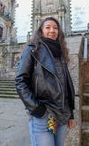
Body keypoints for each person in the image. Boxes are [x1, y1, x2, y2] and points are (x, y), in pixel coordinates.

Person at [15, 17, 75, 146]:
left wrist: (70, 113)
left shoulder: (61, 52)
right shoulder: (32, 50)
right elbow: (20, 81)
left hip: (63, 114)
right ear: (41, 31)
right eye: (48, 27)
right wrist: (37, 109)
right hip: (43, 115)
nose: (52, 30)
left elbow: (65, 83)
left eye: (55, 27)